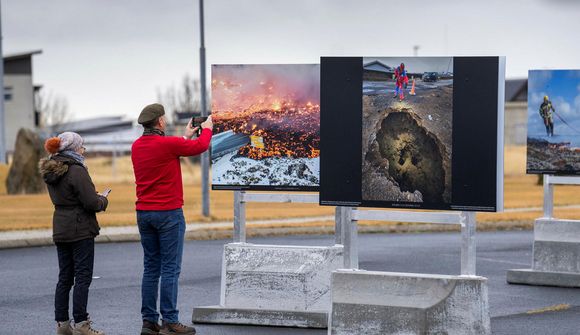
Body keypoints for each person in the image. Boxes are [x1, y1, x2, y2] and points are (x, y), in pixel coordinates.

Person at [131, 103, 213, 335]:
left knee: (151, 269)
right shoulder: (167, 144)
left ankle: (149, 322)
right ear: (159, 122)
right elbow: (201, 145)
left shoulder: (137, 146)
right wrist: (206, 128)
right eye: (164, 118)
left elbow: (172, 149)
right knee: (170, 269)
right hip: (168, 213)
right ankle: (170, 321)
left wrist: (185, 136)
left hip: (144, 213)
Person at [39, 132, 109, 335]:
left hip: (61, 226)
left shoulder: (52, 169)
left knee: (65, 278)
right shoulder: (76, 170)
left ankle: (62, 324)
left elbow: (70, 196)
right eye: (81, 146)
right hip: (80, 229)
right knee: (83, 277)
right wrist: (103, 199)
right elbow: (91, 203)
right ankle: (82, 324)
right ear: (73, 148)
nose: (83, 150)